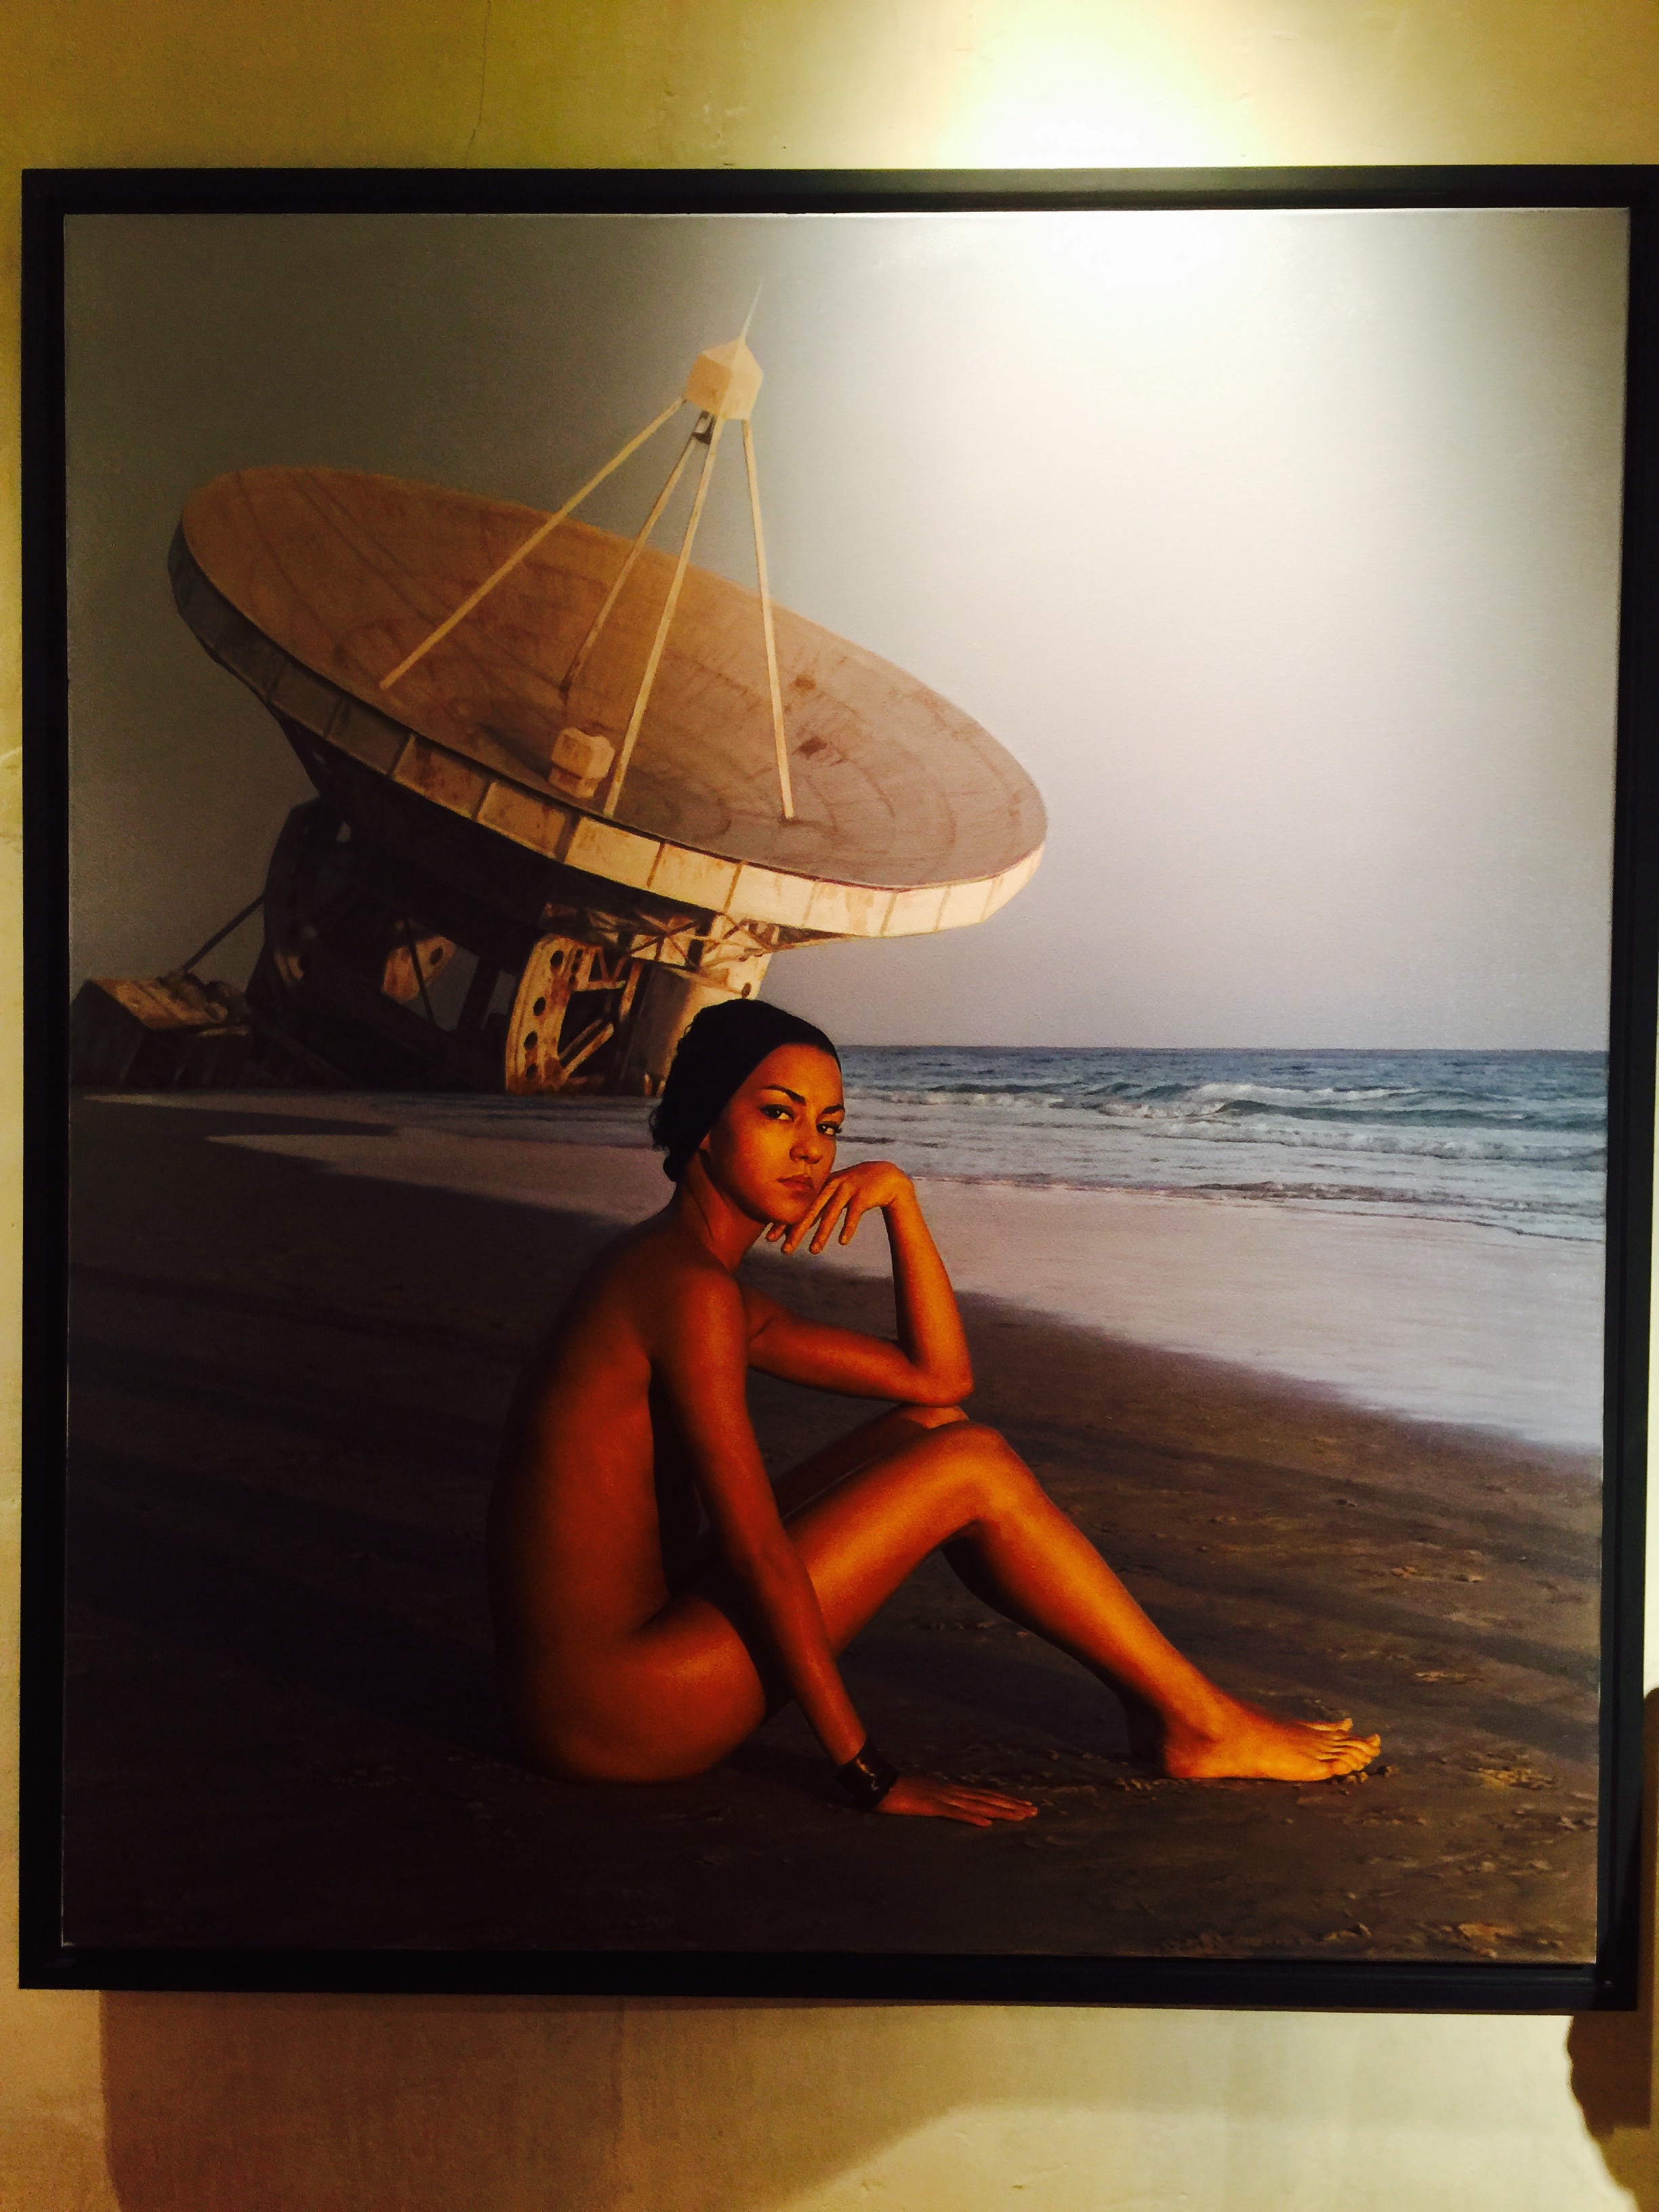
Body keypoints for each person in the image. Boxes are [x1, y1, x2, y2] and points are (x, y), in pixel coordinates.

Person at [489, 1000, 1379, 1826]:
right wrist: (867, 1773)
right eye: (779, 1114)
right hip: (622, 1713)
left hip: (594, 1688)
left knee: (938, 1434)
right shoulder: (689, 1292)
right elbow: (757, 1553)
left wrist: (900, 1202)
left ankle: (1177, 1712)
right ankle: (1199, 1723)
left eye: (829, 1126)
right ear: (703, 1123)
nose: (811, 1150)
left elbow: (936, 1380)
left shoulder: (677, 1269)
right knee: (974, 1463)